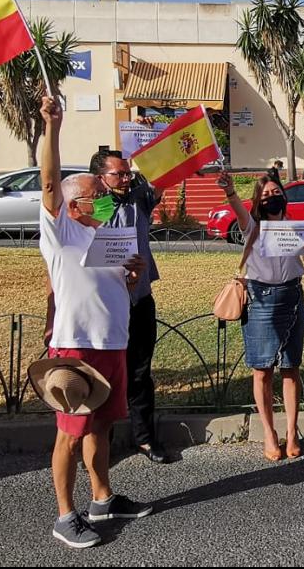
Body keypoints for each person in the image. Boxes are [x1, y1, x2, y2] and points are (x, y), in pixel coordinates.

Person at [38, 95, 152, 549]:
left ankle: (101, 497)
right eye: (99, 196)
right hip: (76, 346)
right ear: (74, 204)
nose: (107, 200)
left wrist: (132, 276)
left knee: (102, 425)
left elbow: (117, 288)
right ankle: (65, 514)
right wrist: (53, 126)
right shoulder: (60, 231)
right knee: (71, 433)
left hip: (112, 343)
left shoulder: (109, 234)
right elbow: (49, 181)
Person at [216, 170, 304, 462]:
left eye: (276, 193)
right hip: (261, 299)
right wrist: (230, 191)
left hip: (292, 297)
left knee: (291, 368)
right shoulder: (252, 226)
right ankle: (269, 433)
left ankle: (292, 431)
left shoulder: (295, 226)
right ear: (258, 202)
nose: (272, 198)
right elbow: (237, 208)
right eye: (265, 195)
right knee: (262, 370)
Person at [90, 149, 168, 464]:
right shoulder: (95, 206)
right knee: (104, 373)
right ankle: (99, 442)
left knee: (140, 371)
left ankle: (145, 439)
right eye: (118, 174)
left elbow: (160, 177)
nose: (126, 179)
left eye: (127, 174)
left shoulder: (138, 198)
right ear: (100, 178)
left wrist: (146, 147)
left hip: (140, 298)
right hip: (107, 300)